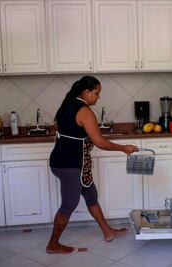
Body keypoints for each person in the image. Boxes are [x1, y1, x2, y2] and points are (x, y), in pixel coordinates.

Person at [47, 76, 138, 254]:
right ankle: (52, 244)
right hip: (71, 165)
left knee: (90, 195)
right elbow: (99, 142)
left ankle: (107, 231)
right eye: (96, 93)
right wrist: (123, 148)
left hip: (66, 161)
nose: (98, 97)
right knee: (68, 205)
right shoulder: (84, 111)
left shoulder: (67, 105)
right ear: (86, 92)